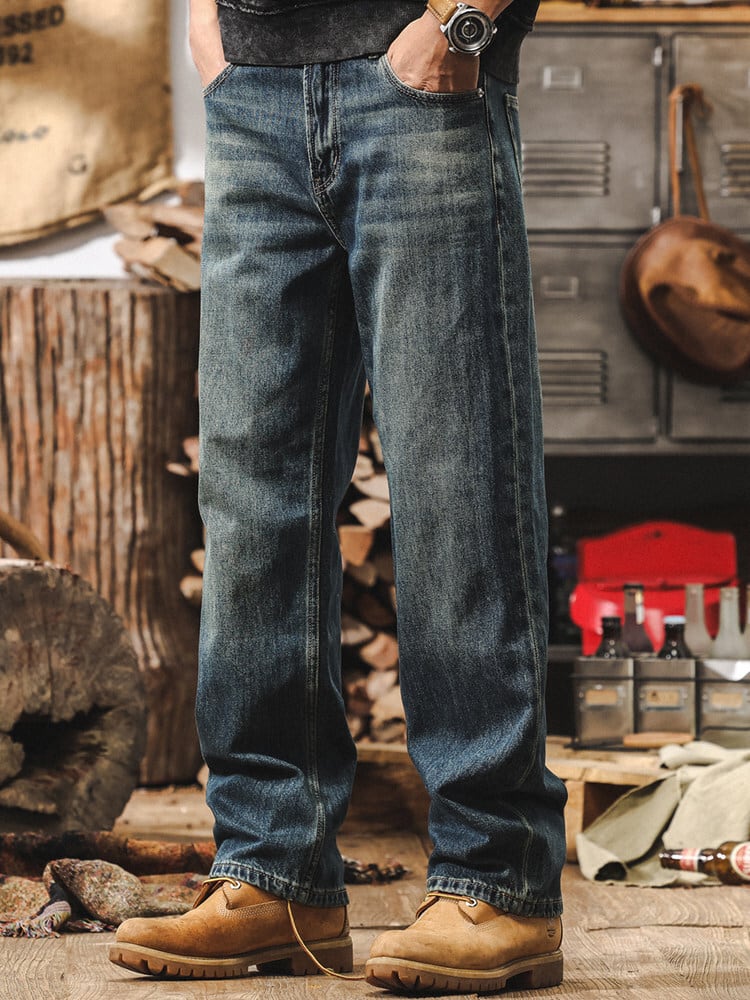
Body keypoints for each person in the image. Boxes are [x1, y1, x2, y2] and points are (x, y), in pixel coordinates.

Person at [109, 0, 568, 992]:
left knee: (457, 484)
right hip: (252, 91)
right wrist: (207, 26)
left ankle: (501, 878)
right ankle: (275, 875)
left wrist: (460, 20)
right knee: (250, 499)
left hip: (419, 80)